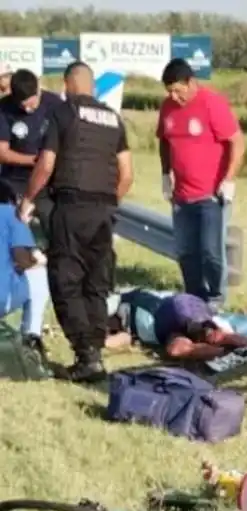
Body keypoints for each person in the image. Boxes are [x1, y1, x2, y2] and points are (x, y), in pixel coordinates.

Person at [17, 61, 133, 382]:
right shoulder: (113, 119)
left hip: (72, 207)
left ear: (68, 85)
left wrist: (28, 199)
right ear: (92, 86)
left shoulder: (63, 114)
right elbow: (127, 174)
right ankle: (93, 352)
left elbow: (46, 164)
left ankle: (87, 355)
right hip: (103, 212)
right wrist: (110, 204)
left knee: (65, 280)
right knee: (96, 283)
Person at [157, 58, 245, 310]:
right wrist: (166, 175)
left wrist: (229, 179)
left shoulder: (211, 103)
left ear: (191, 82)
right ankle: (195, 298)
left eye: (178, 90)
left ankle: (216, 298)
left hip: (210, 194)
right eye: (169, 91)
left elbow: (237, 142)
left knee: (211, 253)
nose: (174, 97)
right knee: (186, 252)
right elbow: (164, 140)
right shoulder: (168, 108)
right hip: (181, 195)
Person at [0, 69, 63, 246]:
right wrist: (35, 161)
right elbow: (2, 152)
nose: (27, 109)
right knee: (11, 239)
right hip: (13, 182)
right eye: (22, 106)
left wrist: (46, 166)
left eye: (31, 104)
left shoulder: (56, 105)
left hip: (47, 184)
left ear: (38, 90)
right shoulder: (4, 109)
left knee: (57, 236)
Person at [105, 289, 247, 361]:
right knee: (186, 343)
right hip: (180, 308)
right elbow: (122, 338)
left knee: (181, 346)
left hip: (167, 314)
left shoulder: (120, 301)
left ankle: (228, 350)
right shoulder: (127, 328)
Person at [0, 179, 51, 376]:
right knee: (39, 273)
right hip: (4, 298)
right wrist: (40, 260)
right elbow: (22, 260)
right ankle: (31, 335)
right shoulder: (11, 215)